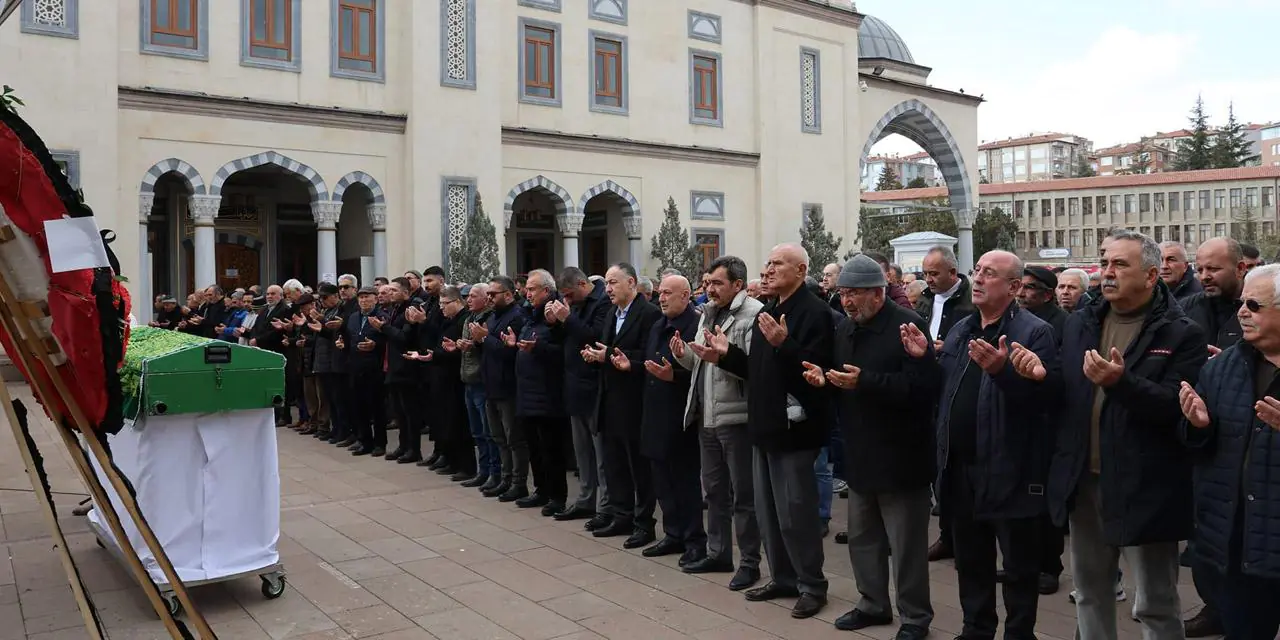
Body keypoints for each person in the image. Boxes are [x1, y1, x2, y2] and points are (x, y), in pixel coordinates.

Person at [1049, 229, 1207, 640]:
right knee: (1089, 591)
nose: (1107, 272)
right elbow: (1065, 393)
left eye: (1120, 264)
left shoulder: (1181, 332)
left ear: (1152, 275)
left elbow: (1177, 407)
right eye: (1104, 263)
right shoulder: (1081, 323)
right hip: (1085, 483)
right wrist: (1026, 376)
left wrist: (1122, 384)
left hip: (1146, 485)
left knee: (1154, 602)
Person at [805, 255, 940, 640]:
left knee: (906, 544)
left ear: (878, 293)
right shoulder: (846, 328)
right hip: (860, 453)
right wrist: (824, 379)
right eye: (844, 293)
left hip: (902, 456)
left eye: (855, 294)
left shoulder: (907, 326)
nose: (847, 302)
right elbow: (844, 379)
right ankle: (873, 603)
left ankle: (915, 617)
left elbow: (924, 389)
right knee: (864, 538)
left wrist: (866, 382)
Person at [934, 250, 1059, 640]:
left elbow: (1046, 401)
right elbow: (947, 389)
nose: (980, 278)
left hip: (1011, 466)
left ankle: (1020, 633)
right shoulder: (962, 328)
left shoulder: (1035, 332)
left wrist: (1003, 371)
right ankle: (976, 628)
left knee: (1020, 565)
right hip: (960, 466)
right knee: (971, 559)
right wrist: (924, 361)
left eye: (990, 273)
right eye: (978, 271)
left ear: (1014, 286)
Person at [710, 243, 836, 619]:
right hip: (764, 427)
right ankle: (783, 577)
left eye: (777, 264)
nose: (767, 270)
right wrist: (727, 356)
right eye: (767, 263)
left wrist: (787, 345)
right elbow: (760, 371)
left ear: (800, 270)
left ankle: (812, 584)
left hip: (795, 432)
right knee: (768, 513)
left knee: (796, 513)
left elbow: (817, 372)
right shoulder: (771, 309)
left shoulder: (815, 313)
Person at [1179, 263, 1280, 639]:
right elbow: (1198, 449)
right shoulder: (1221, 367)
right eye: (1241, 303)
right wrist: (1197, 426)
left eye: (1254, 305)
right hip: (1236, 543)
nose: (1241, 312)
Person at [672, 255, 764, 591]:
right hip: (707, 415)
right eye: (708, 283)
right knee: (713, 492)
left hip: (736, 416)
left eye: (718, 283)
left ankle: (750, 562)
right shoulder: (708, 313)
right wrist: (684, 353)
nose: (710, 289)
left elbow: (757, 368)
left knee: (743, 496)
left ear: (737, 285)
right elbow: (700, 362)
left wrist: (723, 357)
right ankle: (718, 553)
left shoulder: (753, 314)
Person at [1178, 237, 1247, 638]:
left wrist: (1233, 367)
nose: (1204, 276)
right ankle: (1215, 607)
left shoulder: (1257, 310)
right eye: (1200, 268)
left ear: (1239, 269)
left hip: (1246, 436)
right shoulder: (1188, 309)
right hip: (1198, 433)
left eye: (1214, 269)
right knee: (1202, 537)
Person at [585, 263, 662, 549]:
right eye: (606, 283)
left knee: (638, 467)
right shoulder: (611, 315)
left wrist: (618, 357)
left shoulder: (649, 313)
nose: (608, 289)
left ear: (631, 283)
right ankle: (621, 515)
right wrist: (596, 355)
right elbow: (607, 349)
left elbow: (651, 354)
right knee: (614, 463)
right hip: (609, 398)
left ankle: (645, 523)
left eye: (613, 283)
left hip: (634, 402)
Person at [638, 275, 704, 565]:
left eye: (668, 293)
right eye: (660, 292)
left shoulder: (696, 325)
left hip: (681, 416)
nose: (661, 297)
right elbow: (650, 361)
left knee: (684, 481)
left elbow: (703, 373)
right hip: (655, 411)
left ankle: (694, 541)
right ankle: (672, 534)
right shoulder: (658, 325)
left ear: (686, 295)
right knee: (661, 479)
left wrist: (674, 376)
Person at [548, 267, 613, 525]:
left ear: (582, 284)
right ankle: (585, 500)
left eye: (569, 294)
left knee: (601, 456)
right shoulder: (573, 305)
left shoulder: (602, 303)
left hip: (594, 387)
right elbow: (567, 341)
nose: (568, 299)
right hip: (574, 386)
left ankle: (605, 506)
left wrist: (567, 318)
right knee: (582, 452)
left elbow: (594, 338)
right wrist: (555, 322)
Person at [509, 270, 568, 515]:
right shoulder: (531, 316)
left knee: (550, 449)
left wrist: (539, 348)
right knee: (534, 446)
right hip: (527, 392)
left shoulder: (556, 315)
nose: (527, 292)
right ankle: (541, 489)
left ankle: (557, 495)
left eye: (532, 289)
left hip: (548, 395)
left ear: (546, 290)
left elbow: (565, 352)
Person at [476, 276, 529, 500]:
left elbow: (510, 352)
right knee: (497, 436)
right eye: (487, 294)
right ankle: (505, 478)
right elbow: (489, 350)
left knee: (513, 438)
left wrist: (485, 338)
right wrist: (476, 342)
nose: (489, 298)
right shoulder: (492, 316)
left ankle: (519, 482)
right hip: (490, 384)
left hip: (508, 386)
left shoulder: (516, 316)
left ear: (508, 295)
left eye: (493, 294)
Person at [342, 286, 388, 457]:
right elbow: (349, 338)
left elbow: (388, 340)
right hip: (355, 366)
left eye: (367, 297)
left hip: (374, 368)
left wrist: (375, 345)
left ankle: (380, 443)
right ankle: (364, 440)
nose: (363, 300)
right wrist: (343, 345)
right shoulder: (354, 317)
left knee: (376, 408)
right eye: (361, 297)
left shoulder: (382, 316)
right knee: (358, 407)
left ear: (376, 299)